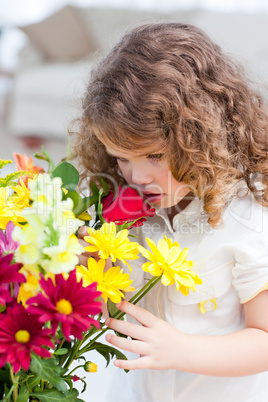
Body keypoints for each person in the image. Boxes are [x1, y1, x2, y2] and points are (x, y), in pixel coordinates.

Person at [73, 23, 268, 401]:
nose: (136, 175)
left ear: (201, 137)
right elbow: (111, 304)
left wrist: (181, 350)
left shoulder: (247, 220)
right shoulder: (121, 204)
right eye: (121, 158)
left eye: (155, 156)